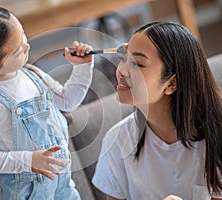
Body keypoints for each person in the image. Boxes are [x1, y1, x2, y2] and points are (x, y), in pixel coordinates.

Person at [0, 3, 94, 200]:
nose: (28, 46)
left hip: (62, 184)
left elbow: (68, 102)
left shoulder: (33, 74)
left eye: (24, 37)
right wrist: (28, 161)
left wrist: (82, 68)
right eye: (18, 50)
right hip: (24, 193)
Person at [92, 21, 222, 200]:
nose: (121, 70)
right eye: (123, 59)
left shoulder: (216, 137)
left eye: (137, 63)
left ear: (171, 83)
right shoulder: (117, 141)